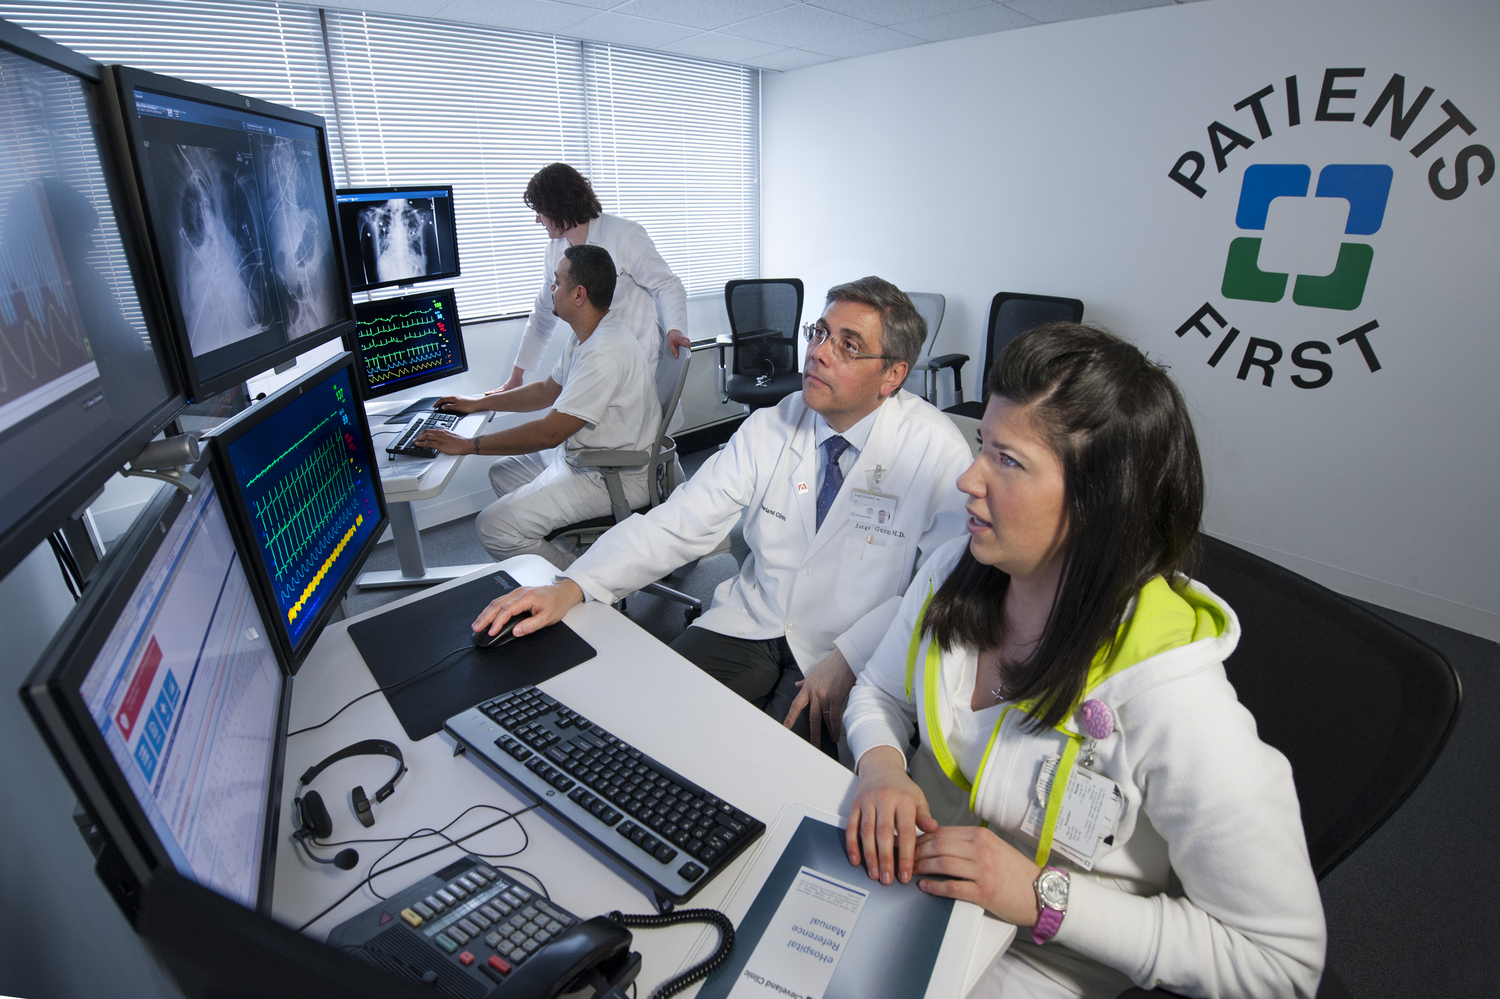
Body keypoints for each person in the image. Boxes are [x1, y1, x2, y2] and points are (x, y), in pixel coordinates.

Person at [841, 323, 1326, 998]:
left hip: (1033, 963)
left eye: (1007, 461)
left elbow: (1279, 962)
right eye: (983, 443)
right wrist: (881, 766)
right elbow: (878, 693)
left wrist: (1042, 894)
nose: (967, 476)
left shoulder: (1176, 697)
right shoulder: (960, 565)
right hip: (910, 900)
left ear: (1100, 505)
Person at [472, 277, 972, 750]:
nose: (818, 352)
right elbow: (678, 522)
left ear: (893, 375)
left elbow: (941, 588)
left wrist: (853, 655)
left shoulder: (935, 452)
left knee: (775, 768)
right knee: (650, 722)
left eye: (848, 344)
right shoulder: (771, 426)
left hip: (846, 648)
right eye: (819, 332)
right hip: (754, 618)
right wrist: (573, 585)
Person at [416, 244, 657, 569]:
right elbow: (546, 391)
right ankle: (569, 555)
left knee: (493, 526)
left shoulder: (604, 352)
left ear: (578, 295)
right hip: (585, 457)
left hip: (610, 473)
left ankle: (580, 579)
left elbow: (549, 433)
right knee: (504, 473)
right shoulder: (588, 334)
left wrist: (468, 446)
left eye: (557, 282)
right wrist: (477, 403)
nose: (551, 288)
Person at [495, 162, 689, 393]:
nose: (538, 220)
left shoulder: (624, 234)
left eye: (540, 212)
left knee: (635, 422)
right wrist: (517, 376)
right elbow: (544, 313)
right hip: (597, 358)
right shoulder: (554, 250)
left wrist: (675, 328)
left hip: (639, 354)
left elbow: (667, 284)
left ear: (558, 208)